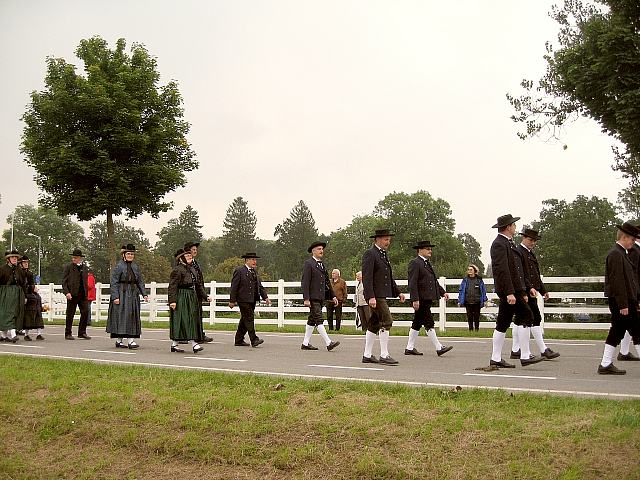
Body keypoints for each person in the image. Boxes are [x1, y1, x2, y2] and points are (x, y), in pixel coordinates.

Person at [489, 214, 543, 368]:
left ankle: (496, 358)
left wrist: (524, 289)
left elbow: (517, 270)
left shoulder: (509, 243)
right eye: (513, 225)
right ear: (508, 227)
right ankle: (524, 355)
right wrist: (509, 293)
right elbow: (503, 270)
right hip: (509, 290)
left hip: (515, 289)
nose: (515, 227)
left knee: (503, 322)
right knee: (527, 316)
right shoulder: (499, 244)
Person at [598, 222, 640, 374]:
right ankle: (604, 364)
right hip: (621, 301)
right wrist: (623, 304)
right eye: (632, 239)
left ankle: (605, 364)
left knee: (618, 331)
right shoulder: (616, 254)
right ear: (624, 237)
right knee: (636, 330)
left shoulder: (622, 253)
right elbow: (618, 282)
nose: (633, 242)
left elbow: (630, 281)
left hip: (627, 300)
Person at [361, 229, 406, 365]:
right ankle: (384, 355)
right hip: (376, 295)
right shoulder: (370, 254)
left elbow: (389, 278)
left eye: (389, 239)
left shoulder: (383, 255)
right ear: (377, 240)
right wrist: (370, 296)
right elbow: (367, 277)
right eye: (386, 239)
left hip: (381, 294)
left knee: (374, 324)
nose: (388, 242)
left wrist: (398, 292)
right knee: (387, 321)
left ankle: (367, 355)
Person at [516, 229, 560, 360]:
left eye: (534, 241)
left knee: (534, 318)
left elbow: (535, 274)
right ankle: (529, 352)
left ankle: (542, 349)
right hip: (525, 291)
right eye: (530, 240)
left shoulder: (530, 254)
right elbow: (521, 275)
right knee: (526, 319)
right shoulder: (519, 252)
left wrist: (543, 290)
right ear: (523, 238)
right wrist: (527, 288)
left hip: (532, 291)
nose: (533, 243)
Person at [405, 240, 453, 357]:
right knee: (428, 321)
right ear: (420, 250)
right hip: (421, 298)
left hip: (427, 297)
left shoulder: (427, 263)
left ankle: (409, 348)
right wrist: (415, 299)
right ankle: (438, 347)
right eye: (427, 249)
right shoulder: (415, 263)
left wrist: (442, 292)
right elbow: (412, 283)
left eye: (430, 249)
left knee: (417, 323)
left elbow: (433, 280)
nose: (430, 251)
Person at [300, 241, 340, 352]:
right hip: (312, 297)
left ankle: (305, 343)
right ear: (313, 251)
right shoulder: (309, 264)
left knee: (312, 320)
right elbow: (305, 282)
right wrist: (306, 298)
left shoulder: (322, 265)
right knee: (319, 318)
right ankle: (328, 342)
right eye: (319, 249)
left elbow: (327, 282)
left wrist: (333, 296)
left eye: (322, 249)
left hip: (321, 296)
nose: (321, 251)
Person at [107, 244, 148, 349]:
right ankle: (125, 341)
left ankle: (125, 340)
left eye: (132, 254)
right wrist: (115, 296)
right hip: (122, 293)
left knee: (131, 316)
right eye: (128, 254)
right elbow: (114, 282)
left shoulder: (135, 266)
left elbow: (140, 281)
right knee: (122, 316)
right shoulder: (119, 266)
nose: (130, 256)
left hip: (133, 294)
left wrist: (144, 294)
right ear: (124, 255)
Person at [168, 248, 208, 353]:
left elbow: (198, 285)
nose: (190, 257)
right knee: (185, 320)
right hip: (181, 296)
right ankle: (194, 344)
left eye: (190, 256)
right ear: (181, 259)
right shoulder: (177, 270)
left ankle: (174, 344)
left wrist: (205, 296)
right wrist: (172, 301)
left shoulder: (192, 269)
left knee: (190, 319)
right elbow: (172, 286)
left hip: (191, 296)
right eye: (187, 256)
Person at [229, 252, 271, 347]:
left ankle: (239, 340)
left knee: (245, 320)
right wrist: (232, 300)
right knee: (249, 318)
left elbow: (260, 286)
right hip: (243, 299)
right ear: (247, 260)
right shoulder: (239, 271)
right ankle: (254, 339)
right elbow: (234, 286)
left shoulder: (254, 272)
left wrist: (265, 297)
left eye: (255, 260)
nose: (254, 261)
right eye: (253, 260)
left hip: (252, 300)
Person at [617, 225, 640, 362]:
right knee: (634, 325)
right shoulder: (634, 251)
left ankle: (624, 351)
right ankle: (623, 351)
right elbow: (634, 276)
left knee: (629, 324)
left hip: (634, 292)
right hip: (634, 293)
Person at [185, 242, 213, 343]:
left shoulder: (196, 263)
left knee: (199, 314)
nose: (195, 251)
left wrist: (203, 294)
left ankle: (200, 334)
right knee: (190, 315)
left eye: (196, 249)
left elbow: (199, 280)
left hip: (198, 292)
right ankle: (188, 335)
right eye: (193, 249)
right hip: (189, 292)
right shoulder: (184, 264)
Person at [62, 248, 90, 340]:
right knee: (70, 314)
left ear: (80, 258)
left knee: (85, 312)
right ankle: (68, 333)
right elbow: (64, 281)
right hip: (72, 294)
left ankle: (82, 332)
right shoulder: (68, 267)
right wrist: (67, 292)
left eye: (76, 258)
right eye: (73, 257)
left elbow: (85, 281)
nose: (74, 259)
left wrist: (86, 292)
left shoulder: (85, 268)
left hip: (82, 294)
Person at [0, 250, 26, 343]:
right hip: (5, 293)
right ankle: (13, 335)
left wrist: (25, 296)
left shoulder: (19, 269)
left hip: (17, 293)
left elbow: (23, 283)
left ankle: (4, 336)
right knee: (7, 313)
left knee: (15, 313)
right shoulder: (3, 269)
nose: (15, 259)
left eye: (16, 258)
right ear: (8, 259)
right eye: (13, 257)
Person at [20, 255, 44, 341]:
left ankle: (39, 333)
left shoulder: (29, 273)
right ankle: (26, 334)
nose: (26, 264)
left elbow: (31, 283)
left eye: (27, 262)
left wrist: (34, 288)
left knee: (38, 301)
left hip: (30, 293)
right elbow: (22, 285)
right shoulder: (19, 273)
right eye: (24, 263)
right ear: (21, 264)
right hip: (24, 293)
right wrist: (30, 289)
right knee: (28, 312)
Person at [458, 264, 488, 331]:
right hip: (468, 301)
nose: (469, 271)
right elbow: (461, 290)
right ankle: (470, 330)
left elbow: (483, 290)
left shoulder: (479, 280)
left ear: (475, 271)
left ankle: (477, 330)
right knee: (469, 317)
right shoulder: (465, 280)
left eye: (471, 270)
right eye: (468, 270)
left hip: (477, 301)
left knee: (477, 317)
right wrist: (460, 300)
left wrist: (485, 300)